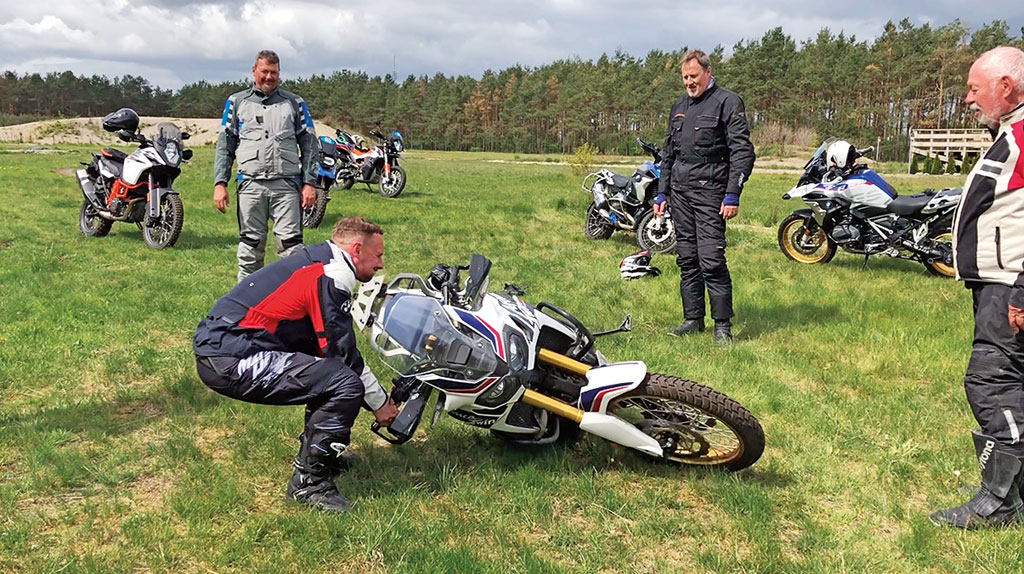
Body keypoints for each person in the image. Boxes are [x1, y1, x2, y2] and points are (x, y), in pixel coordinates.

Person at [193, 216, 399, 512]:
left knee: (328, 376)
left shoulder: (320, 259)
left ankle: (321, 458)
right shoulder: (333, 273)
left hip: (223, 347)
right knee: (344, 384)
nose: (381, 264)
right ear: (356, 249)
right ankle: (309, 484)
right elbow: (343, 355)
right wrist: (380, 402)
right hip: (229, 358)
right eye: (378, 255)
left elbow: (323, 346)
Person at [930, 46, 1024, 529]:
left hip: (1011, 285)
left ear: (1004, 87)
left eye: (973, 88)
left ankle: (1000, 504)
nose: (967, 99)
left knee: (992, 381)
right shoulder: (1009, 132)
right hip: (999, 282)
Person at [653, 50, 755, 344]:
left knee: (711, 259)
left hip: (712, 194)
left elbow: (742, 152)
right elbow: (668, 154)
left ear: (708, 73)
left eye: (693, 76)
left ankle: (722, 325)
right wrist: (662, 193)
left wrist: (733, 193)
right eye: (685, 77)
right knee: (687, 258)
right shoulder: (679, 106)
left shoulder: (728, 102)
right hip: (680, 195)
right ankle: (693, 319)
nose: (689, 82)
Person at [213, 49, 319, 282]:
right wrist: (220, 183)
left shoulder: (295, 103)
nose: (269, 77)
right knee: (250, 247)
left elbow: (310, 145)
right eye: (264, 71)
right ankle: (246, 304)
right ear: (254, 71)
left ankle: (294, 302)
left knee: (291, 247)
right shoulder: (236, 102)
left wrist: (310, 183)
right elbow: (225, 146)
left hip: (287, 186)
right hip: (250, 185)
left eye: (274, 72)